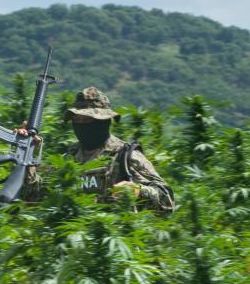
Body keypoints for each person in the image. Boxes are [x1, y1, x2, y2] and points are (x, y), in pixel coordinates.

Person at [19, 87, 174, 212]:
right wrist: (28, 153)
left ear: (105, 121)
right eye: (77, 119)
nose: (82, 124)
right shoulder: (68, 158)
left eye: (89, 119)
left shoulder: (125, 156)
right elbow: (33, 198)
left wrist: (139, 191)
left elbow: (167, 201)